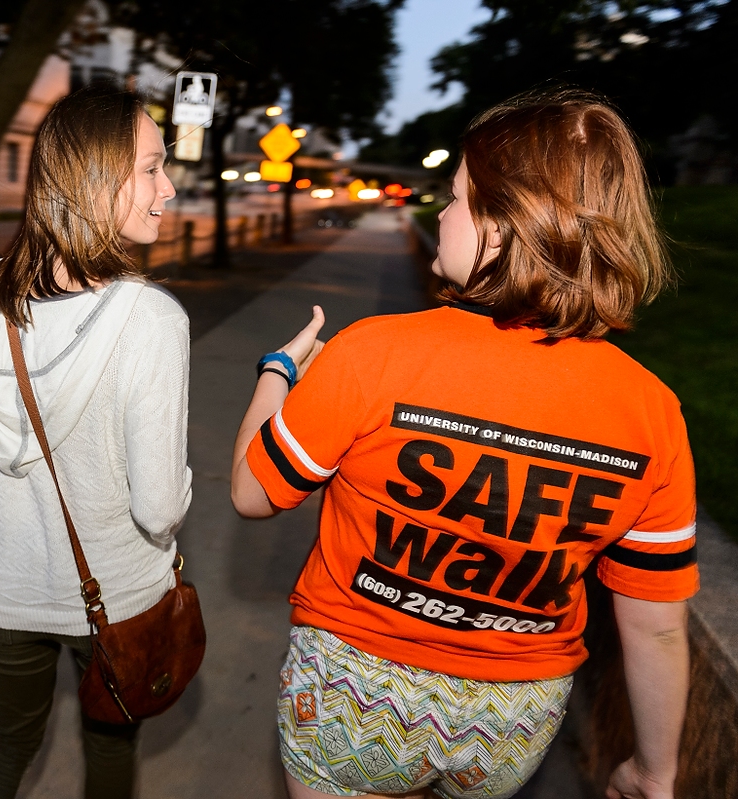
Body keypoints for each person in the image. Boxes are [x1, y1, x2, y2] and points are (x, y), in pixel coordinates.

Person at [231, 89, 697, 799]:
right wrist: (655, 769)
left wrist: (279, 371)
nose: (442, 214)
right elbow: (657, 628)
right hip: (509, 722)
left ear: (506, 225)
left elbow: (252, 490)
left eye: (455, 197)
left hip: (352, 695)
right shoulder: (653, 412)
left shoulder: (373, 355)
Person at [0, 83, 191, 799]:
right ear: (93, 179)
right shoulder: (148, 320)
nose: (169, 188)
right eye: (150, 168)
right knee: (110, 742)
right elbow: (156, 508)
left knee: (2, 741)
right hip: (114, 594)